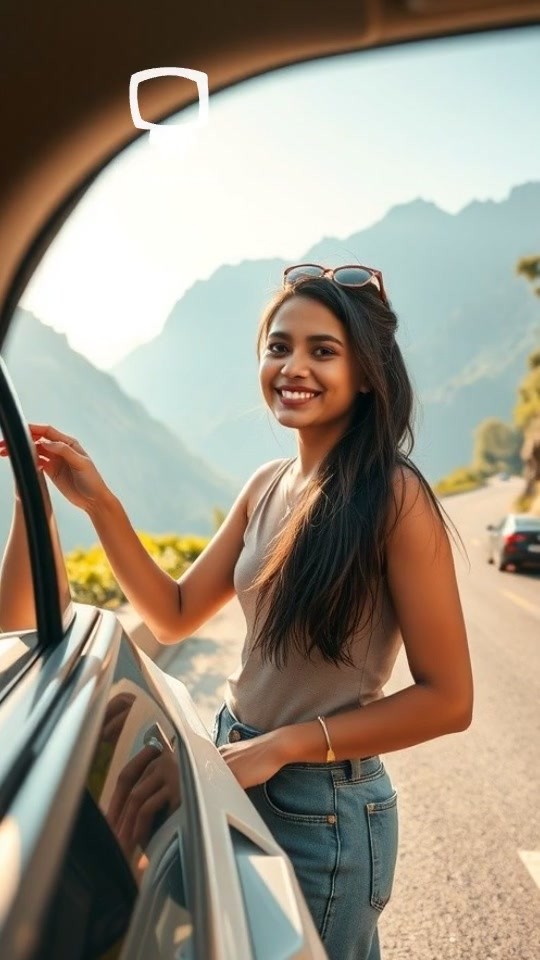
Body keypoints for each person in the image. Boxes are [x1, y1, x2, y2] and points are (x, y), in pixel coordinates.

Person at [1, 263, 473, 960]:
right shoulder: (267, 484)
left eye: (323, 350)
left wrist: (280, 746)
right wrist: (95, 503)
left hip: (324, 811)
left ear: (368, 375)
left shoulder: (395, 498)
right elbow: (175, 613)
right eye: (279, 346)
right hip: (239, 758)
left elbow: (449, 700)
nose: (294, 367)